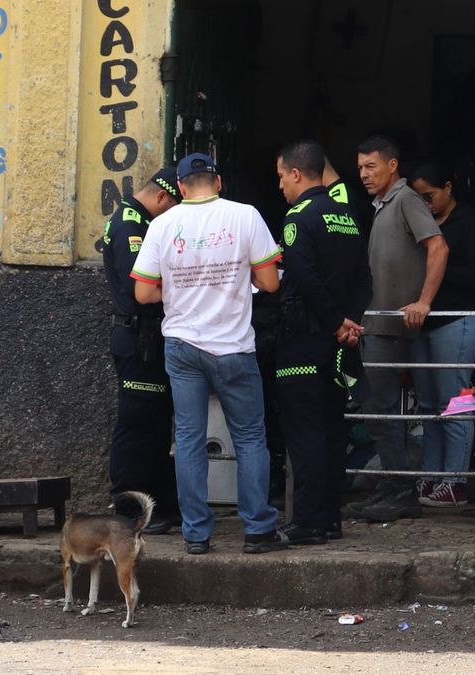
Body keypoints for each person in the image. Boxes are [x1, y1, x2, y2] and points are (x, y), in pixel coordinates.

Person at [131, 152, 288, 555]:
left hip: (182, 346)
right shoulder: (245, 216)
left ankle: (196, 534)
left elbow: (143, 292)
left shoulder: (162, 224)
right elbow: (270, 283)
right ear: (218, 183)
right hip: (233, 346)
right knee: (250, 437)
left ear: (181, 188)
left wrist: (180, 290)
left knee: (188, 438)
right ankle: (258, 530)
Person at [273, 140, 372, 544]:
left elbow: (304, 276)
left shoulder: (299, 217)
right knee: (332, 431)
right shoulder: (346, 215)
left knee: (306, 434)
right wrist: (351, 322)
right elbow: (364, 276)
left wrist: (334, 322)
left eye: (281, 176)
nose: (280, 185)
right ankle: (330, 518)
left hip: (304, 341)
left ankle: (308, 522)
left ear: (297, 174)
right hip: (340, 345)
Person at [346, 135, 449, 522]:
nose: (364, 174)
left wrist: (424, 301)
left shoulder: (406, 199)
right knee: (377, 409)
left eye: (371, 166)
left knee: (381, 409)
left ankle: (399, 490)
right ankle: (392, 486)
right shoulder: (382, 205)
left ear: (392, 166)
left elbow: (438, 247)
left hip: (391, 326)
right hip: (375, 323)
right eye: (360, 168)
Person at [98, 168, 184, 535]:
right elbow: (141, 288)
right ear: (163, 197)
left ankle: (161, 504)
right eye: (176, 207)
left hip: (148, 338)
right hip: (137, 340)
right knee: (138, 424)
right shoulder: (132, 225)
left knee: (156, 424)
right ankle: (128, 510)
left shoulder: (140, 220)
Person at [407, 163, 475, 508]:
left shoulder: (467, 222)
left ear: (448, 186)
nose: (425, 204)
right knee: (428, 407)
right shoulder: (421, 222)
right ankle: (431, 477)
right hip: (422, 326)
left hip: (455, 322)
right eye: (419, 199)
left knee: (452, 405)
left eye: (429, 196)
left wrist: (438, 270)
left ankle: (455, 483)